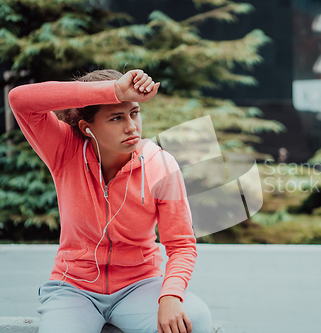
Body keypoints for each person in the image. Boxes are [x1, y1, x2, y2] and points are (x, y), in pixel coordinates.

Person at [8, 69, 212, 333]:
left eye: (134, 113)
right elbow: (19, 100)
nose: (131, 127)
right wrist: (114, 90)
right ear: (87, 127)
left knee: (193, 321)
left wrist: (171, 296)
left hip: (140, 286)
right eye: (116, 117)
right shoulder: (64, 150)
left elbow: (181, 244)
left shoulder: (160, 165)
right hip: (74, 289)